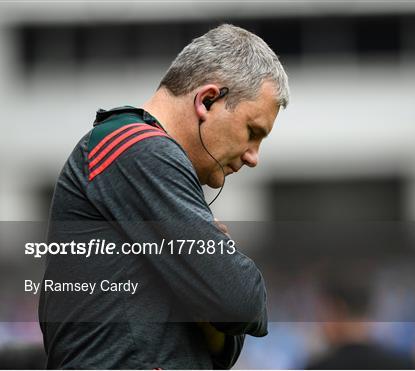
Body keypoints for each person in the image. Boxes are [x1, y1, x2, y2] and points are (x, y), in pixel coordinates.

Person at [39, 24, 289, 369]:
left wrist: (210, 286)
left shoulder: (149, 160)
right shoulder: (136, 149)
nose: (253, 156)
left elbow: (226, 344)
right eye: (252, 132)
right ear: (207, 100)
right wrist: (210, 283)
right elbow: (240, 300)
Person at [307, 283, 415, 370]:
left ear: (338, 310)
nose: (319, 324)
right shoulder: (405, 365)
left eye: (321, 313)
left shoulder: (319, 367)